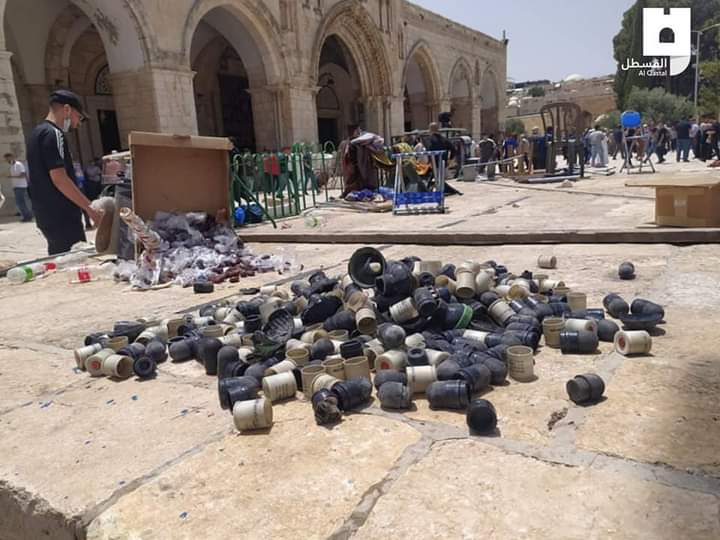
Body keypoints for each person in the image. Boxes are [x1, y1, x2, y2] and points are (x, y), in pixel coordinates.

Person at [26, 90, 104, 255]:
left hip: (46, 212)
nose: (78, 123)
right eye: (79, 117)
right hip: (62, 213)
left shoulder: (36, 133)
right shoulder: (54, 134)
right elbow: (60, 178)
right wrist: (90, 208)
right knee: (74, 260)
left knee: (60, 258)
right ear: (67, 110)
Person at [4, 152, 33, 221]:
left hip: (21, 186)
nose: (7, 160)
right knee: (20, 202)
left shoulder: (19, 164)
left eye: (7, 158)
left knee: (21, 202)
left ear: (11, 157)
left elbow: (23, 175)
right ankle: (27, 216)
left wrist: (11, 176)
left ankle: (27, 216)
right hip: (16, 186)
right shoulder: (12, 166)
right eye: (6, 159)